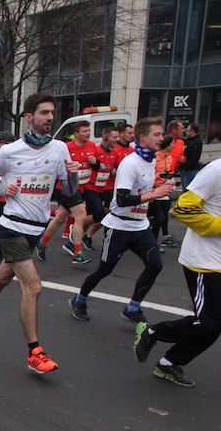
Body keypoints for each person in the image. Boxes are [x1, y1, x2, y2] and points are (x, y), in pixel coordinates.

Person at [0, 92, 79, 374]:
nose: (49, 117)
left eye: (52, 113)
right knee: (33, 287)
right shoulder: (9, 151)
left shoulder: (60, 148)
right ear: (28, 117)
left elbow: (69, 191)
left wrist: (73, 174)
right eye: (44, 113)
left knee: (2, 277)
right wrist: (4, 189)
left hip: (36, 228)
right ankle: (34, 352)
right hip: (12, 226)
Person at [70, 117, 171, 323]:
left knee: (155, 265)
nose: (161, 138)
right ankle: (79, 299)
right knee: (105, 269)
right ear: (143, 137)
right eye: (157, 134)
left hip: (140, 226)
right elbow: (123, 199)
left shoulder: (150, 160)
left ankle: (133, 308)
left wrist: (154, 194)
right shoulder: (130, 163)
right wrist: (154, 194)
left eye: (161, 134)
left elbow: (141, 191)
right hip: (119, 226)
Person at [133, 157, 221, 387]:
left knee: (214, 323)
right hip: (206, 260)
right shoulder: (217, 171)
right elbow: (183, 208)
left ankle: (169, 363)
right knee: (209, 323)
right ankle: (153, 332)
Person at [36, 121, 95, 265]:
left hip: (81, 188)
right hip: (65, 188)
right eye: (85, 131)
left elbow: (96, 166)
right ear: (76, 134)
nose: (88, 133)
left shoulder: (92, 146)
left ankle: (42, 242)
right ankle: (77, 252)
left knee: (60, 217)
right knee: (81, 216)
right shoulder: (66, 147)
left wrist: (94, 163)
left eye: (89, 131)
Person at [180, 122, 203, 189]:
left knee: (188, 190)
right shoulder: (189, 140)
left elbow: (194, 157)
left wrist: (185, 168)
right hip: (186, 169)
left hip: (190, 170)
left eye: (188, 130)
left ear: (192, 131)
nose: (186, 132)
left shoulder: (196, 142)